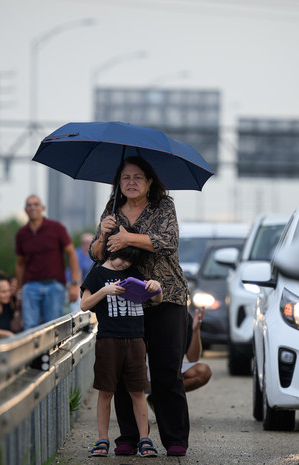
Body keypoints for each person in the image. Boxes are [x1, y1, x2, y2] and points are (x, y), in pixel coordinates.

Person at [89, 156, 191, 457]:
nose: (131, 182)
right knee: (125, 373)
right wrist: (105, 234)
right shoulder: (111, 212)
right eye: (125, 177)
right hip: (124, 300)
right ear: (118, 183)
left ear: (149, 182)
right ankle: (129, 437)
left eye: (137, 177)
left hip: (166, 296)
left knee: (166, 370)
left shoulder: (164, 206)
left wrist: (127, 237)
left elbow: (168, 241)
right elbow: (97, 253)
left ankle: (175, 437)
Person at [80, 238, 163, 458]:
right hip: (108, 339)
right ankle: (102, 439)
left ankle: (144, 439)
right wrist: (104, 291)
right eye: (122, 258)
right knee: (106, 390)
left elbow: (156, 300)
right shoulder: (97, 274)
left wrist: (156, 288)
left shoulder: (134, 272)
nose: (125, 264)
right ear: (110, 252)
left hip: (136, 339)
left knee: (137, 391)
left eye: (129, 260)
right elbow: (84, 304)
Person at [15, 195, 81, 330]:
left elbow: (72, 255)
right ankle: (33, 352)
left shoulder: (56, 228)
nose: (32, 207)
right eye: (29, 205)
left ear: (42, 208)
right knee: (29, 327)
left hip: (54, 286)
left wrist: (74, 283)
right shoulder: (22, 234)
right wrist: (19, 289)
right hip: (30, 286)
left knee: (52, 328)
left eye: (35, 204)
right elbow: (20, 264)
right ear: (25, 210)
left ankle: (49, 352)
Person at [182, 307, 212, 392]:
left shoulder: (183, 315)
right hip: (147, 365)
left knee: (203, 371)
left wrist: (196, 331)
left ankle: (159, 397)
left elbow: (193, 358)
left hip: (170, 367)